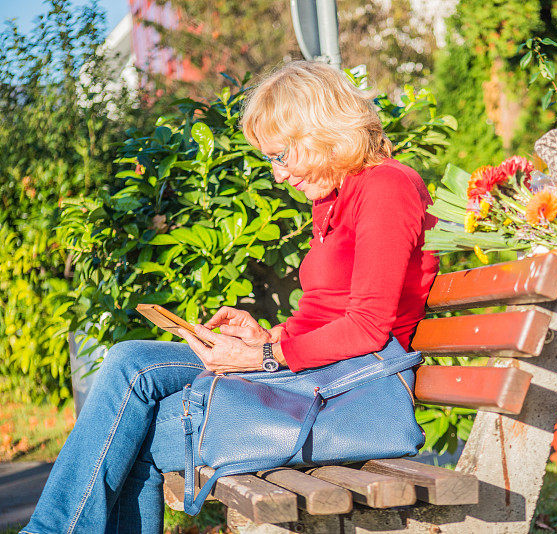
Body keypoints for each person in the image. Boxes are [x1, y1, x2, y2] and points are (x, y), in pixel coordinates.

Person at [21, 60, 438, 534]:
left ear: (321, 129)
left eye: (281, 155)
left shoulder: (386, 186)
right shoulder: (334, 198)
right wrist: (269, 336)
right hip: (320, 373)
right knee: (130, 360)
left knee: (134, 418)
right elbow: (326, 313)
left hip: (354, 387)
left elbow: (366, 326)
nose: (279, 175)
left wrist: (263, 355)